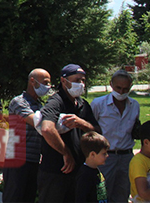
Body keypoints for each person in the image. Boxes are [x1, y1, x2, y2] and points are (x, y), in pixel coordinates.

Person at [37, 64, 100, 203]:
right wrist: (66, 153)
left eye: (83, 80)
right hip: (56, 173)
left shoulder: (83, 105)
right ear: (64, 81)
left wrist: (82, 123)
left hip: (78, 173)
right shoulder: (56, 102)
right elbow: (47, 129)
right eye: (77, 80)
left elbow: (98, 132)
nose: (81, 84)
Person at [2, 68, 52, 203]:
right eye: (45, 83)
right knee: (14, 198)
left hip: (34, 160)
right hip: (17, 160)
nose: (48, 87)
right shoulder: (19, 102)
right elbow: (36, 122)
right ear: (32, 81)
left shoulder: (39, 105)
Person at [91, 70, 141, 203]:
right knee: (101, 195)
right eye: (118, 88)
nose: (121, 92)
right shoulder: (98, 104)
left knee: (122, 194)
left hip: (126, 157)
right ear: (111, 85)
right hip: (106, 157)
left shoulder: (134, 105)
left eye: (125, 89)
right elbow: (90, 129)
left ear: (130, 87)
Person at [75, 131, 110, 203]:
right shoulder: (84, 175)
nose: (107, 156)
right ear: (92, 154)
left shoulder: (97, 171)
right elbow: (81, 198)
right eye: (104, 153)